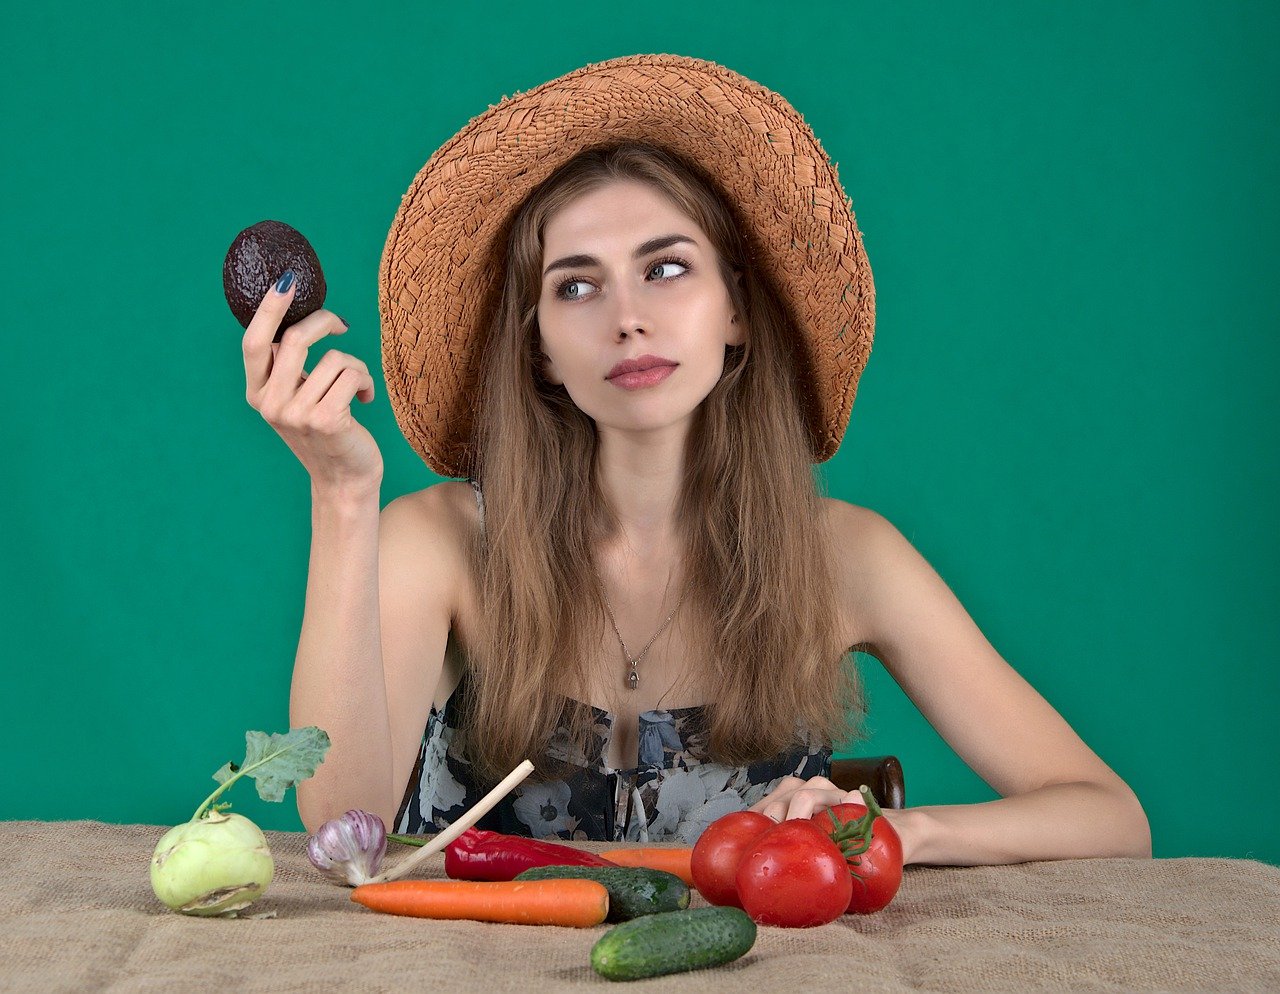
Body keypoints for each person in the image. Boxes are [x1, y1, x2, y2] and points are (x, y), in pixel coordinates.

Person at [242, 55, 1151, 862]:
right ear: (541, 353)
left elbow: (1109, 815)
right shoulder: (438, 540)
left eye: (667, 267)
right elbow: (340, 833)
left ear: (737, 312)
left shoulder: (848, 555)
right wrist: (341, 493)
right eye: (577, 285)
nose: (627, 314)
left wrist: (896, 832)